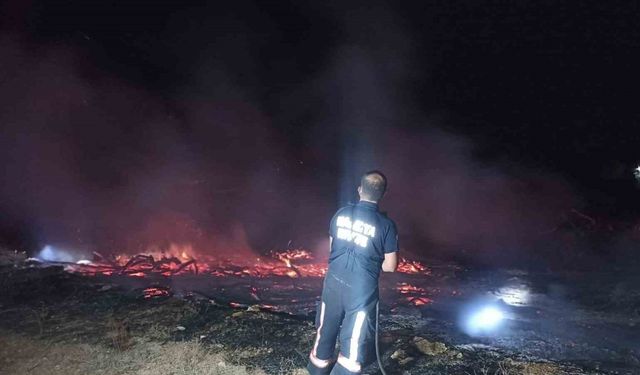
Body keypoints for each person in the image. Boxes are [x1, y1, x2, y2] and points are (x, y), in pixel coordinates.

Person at [308, 171, 399, 375]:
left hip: (333, 282)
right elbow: (390, 266)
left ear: (359, 189)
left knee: (325, 332)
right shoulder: (386, 226)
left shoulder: (340, 214)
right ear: (383, 194)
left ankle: (316, 371)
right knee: (354, 342)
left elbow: (334, 248)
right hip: (360, 291)